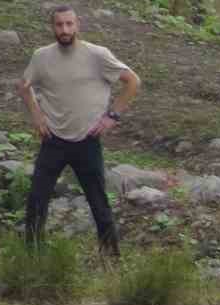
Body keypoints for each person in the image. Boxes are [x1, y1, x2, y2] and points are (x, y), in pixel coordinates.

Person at [18, 4, 141, 256]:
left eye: (69, 24)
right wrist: (37, 115)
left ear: (77, 25)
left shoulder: (97, 55)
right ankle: (31, 258)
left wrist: (112, 116)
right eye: (59, 24)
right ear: (52, 27)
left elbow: (132, 81)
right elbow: (24, 85)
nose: (64, 29)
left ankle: (111, 260)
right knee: (36, 200)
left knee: (99, 203)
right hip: (53, 139)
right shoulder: (41, 56)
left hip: (87, 140)